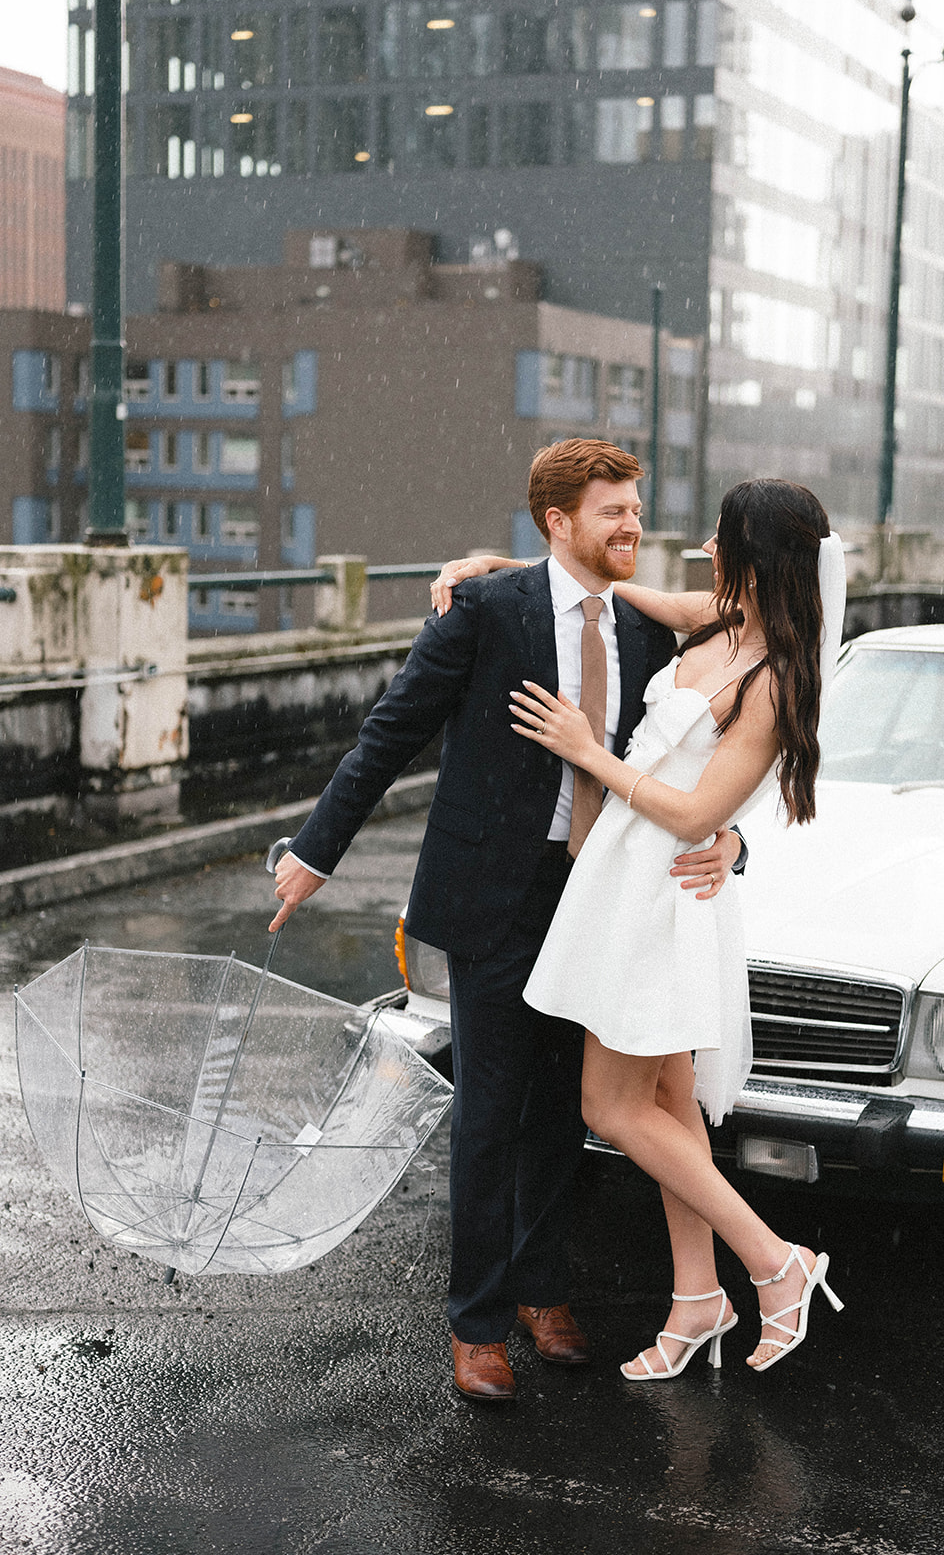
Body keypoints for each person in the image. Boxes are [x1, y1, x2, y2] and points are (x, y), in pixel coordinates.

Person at [269, 438, 746, 1402]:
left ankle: (542, 1288)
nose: (634, 527)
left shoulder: (656, 634)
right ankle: (478, 1323)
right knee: (490, 1108)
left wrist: (737, 847)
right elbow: (391, 731)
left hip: (605, 897)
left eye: (636, 509)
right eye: (613, 511)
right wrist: (316, 854)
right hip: (495, 894)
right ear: (559, 523)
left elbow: (707, 767)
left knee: (565, 1108)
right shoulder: (486, 610)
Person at [435, 477, 847, 1377]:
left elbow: (698, 812)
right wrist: (509, 571)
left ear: (756, 554)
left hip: (662, 897)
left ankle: (778, 1264)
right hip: (624, 884)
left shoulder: (773, 672)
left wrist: (589, 754)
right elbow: (605, 589)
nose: (703, 547)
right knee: (666, 1105)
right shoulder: (717, 615)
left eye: (720, 537)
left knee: (609, 1108)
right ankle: (697, 1299)